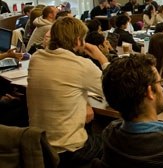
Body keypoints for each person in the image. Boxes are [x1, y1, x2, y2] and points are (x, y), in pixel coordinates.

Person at [27, 17, 108, 167]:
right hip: (70, 150)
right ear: (78, 41)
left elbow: (61, 86)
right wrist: (102, 58)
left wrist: (84, 102)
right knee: (113, 144)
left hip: (40, 145)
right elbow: (113, 91)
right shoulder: (82, 65)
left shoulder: (36, 58)